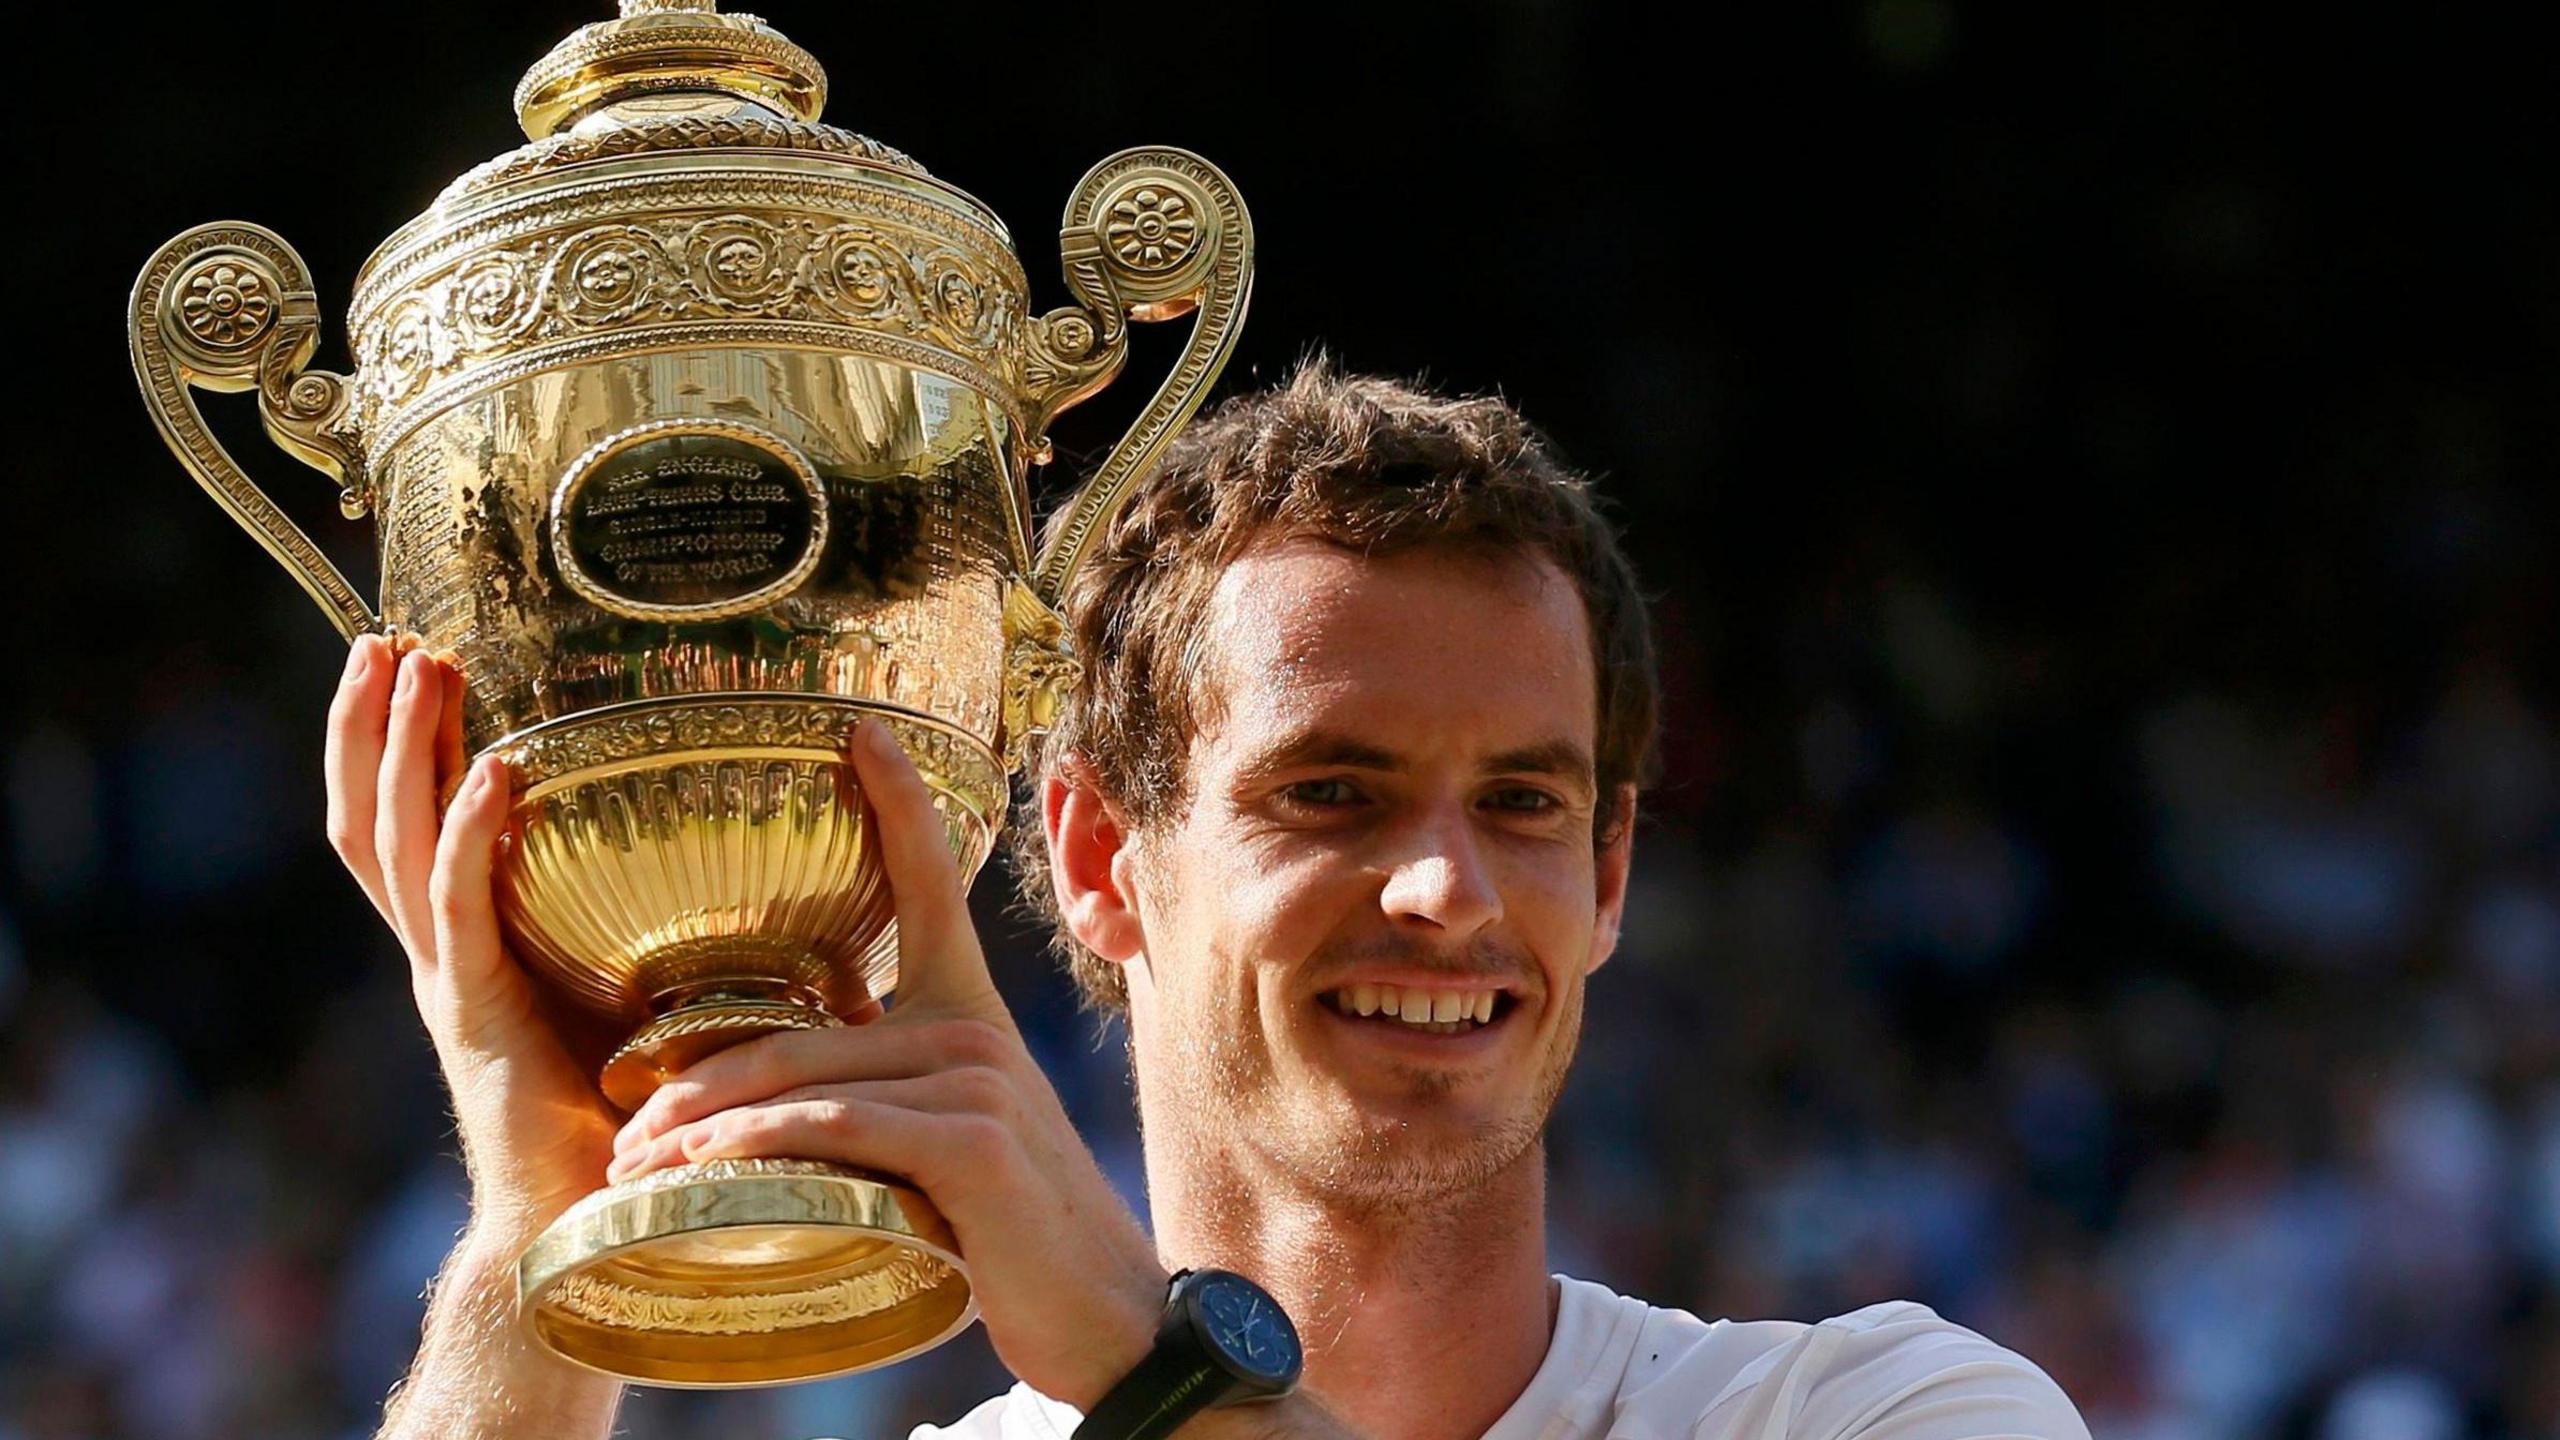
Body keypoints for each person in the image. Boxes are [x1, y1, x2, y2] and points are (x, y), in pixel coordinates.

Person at [329, 362, 2092, 1440]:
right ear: (1101, 860)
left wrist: (1159, 1375)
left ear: (1612, 871)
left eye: (1525, 804)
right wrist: (531, 1243)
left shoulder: (1877, 1413)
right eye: (1331, 792)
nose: (1444, 886)